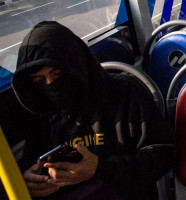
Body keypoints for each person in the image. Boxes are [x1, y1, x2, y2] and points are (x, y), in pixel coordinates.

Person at [11, 21, 174, 199]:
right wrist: (30, 183)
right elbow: (33, 164)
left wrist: (101, 169)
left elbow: (163, 154)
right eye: (39, 80)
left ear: (75, 64)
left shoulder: (124, 93)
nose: (51, 84)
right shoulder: (39, 111)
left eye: (57, 74)